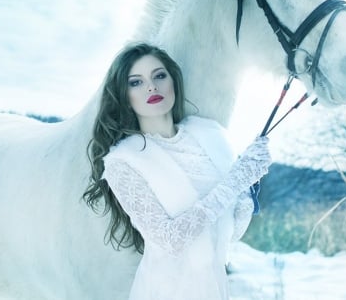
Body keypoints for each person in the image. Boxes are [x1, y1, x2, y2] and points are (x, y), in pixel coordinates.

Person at [83, 42, 271, 300]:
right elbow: (171, 240)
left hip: (214, 287)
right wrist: (235, 182)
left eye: (159, 76)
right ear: (124, 96)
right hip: (165, 290)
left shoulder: (210, 134)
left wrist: (250, 183)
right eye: (136, 82)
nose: (152, 86)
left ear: (174, 81)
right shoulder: (123, 161)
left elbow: (229, 233)